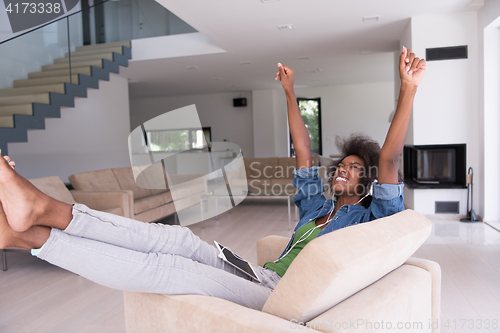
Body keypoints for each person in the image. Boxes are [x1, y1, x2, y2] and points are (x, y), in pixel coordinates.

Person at [0, 47, 425, 311]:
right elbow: (303, 150)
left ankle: (29, 237)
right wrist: (291, 93)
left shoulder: (376, 215)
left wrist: (408, 88)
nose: (343, 170)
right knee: (178, 241)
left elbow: (389, 158)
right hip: (258, 276)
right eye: (342, 165)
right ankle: (43, 211)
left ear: (367, 181)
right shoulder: (319, 205)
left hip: (282, 299)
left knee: (171, 270)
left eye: (354, 169)